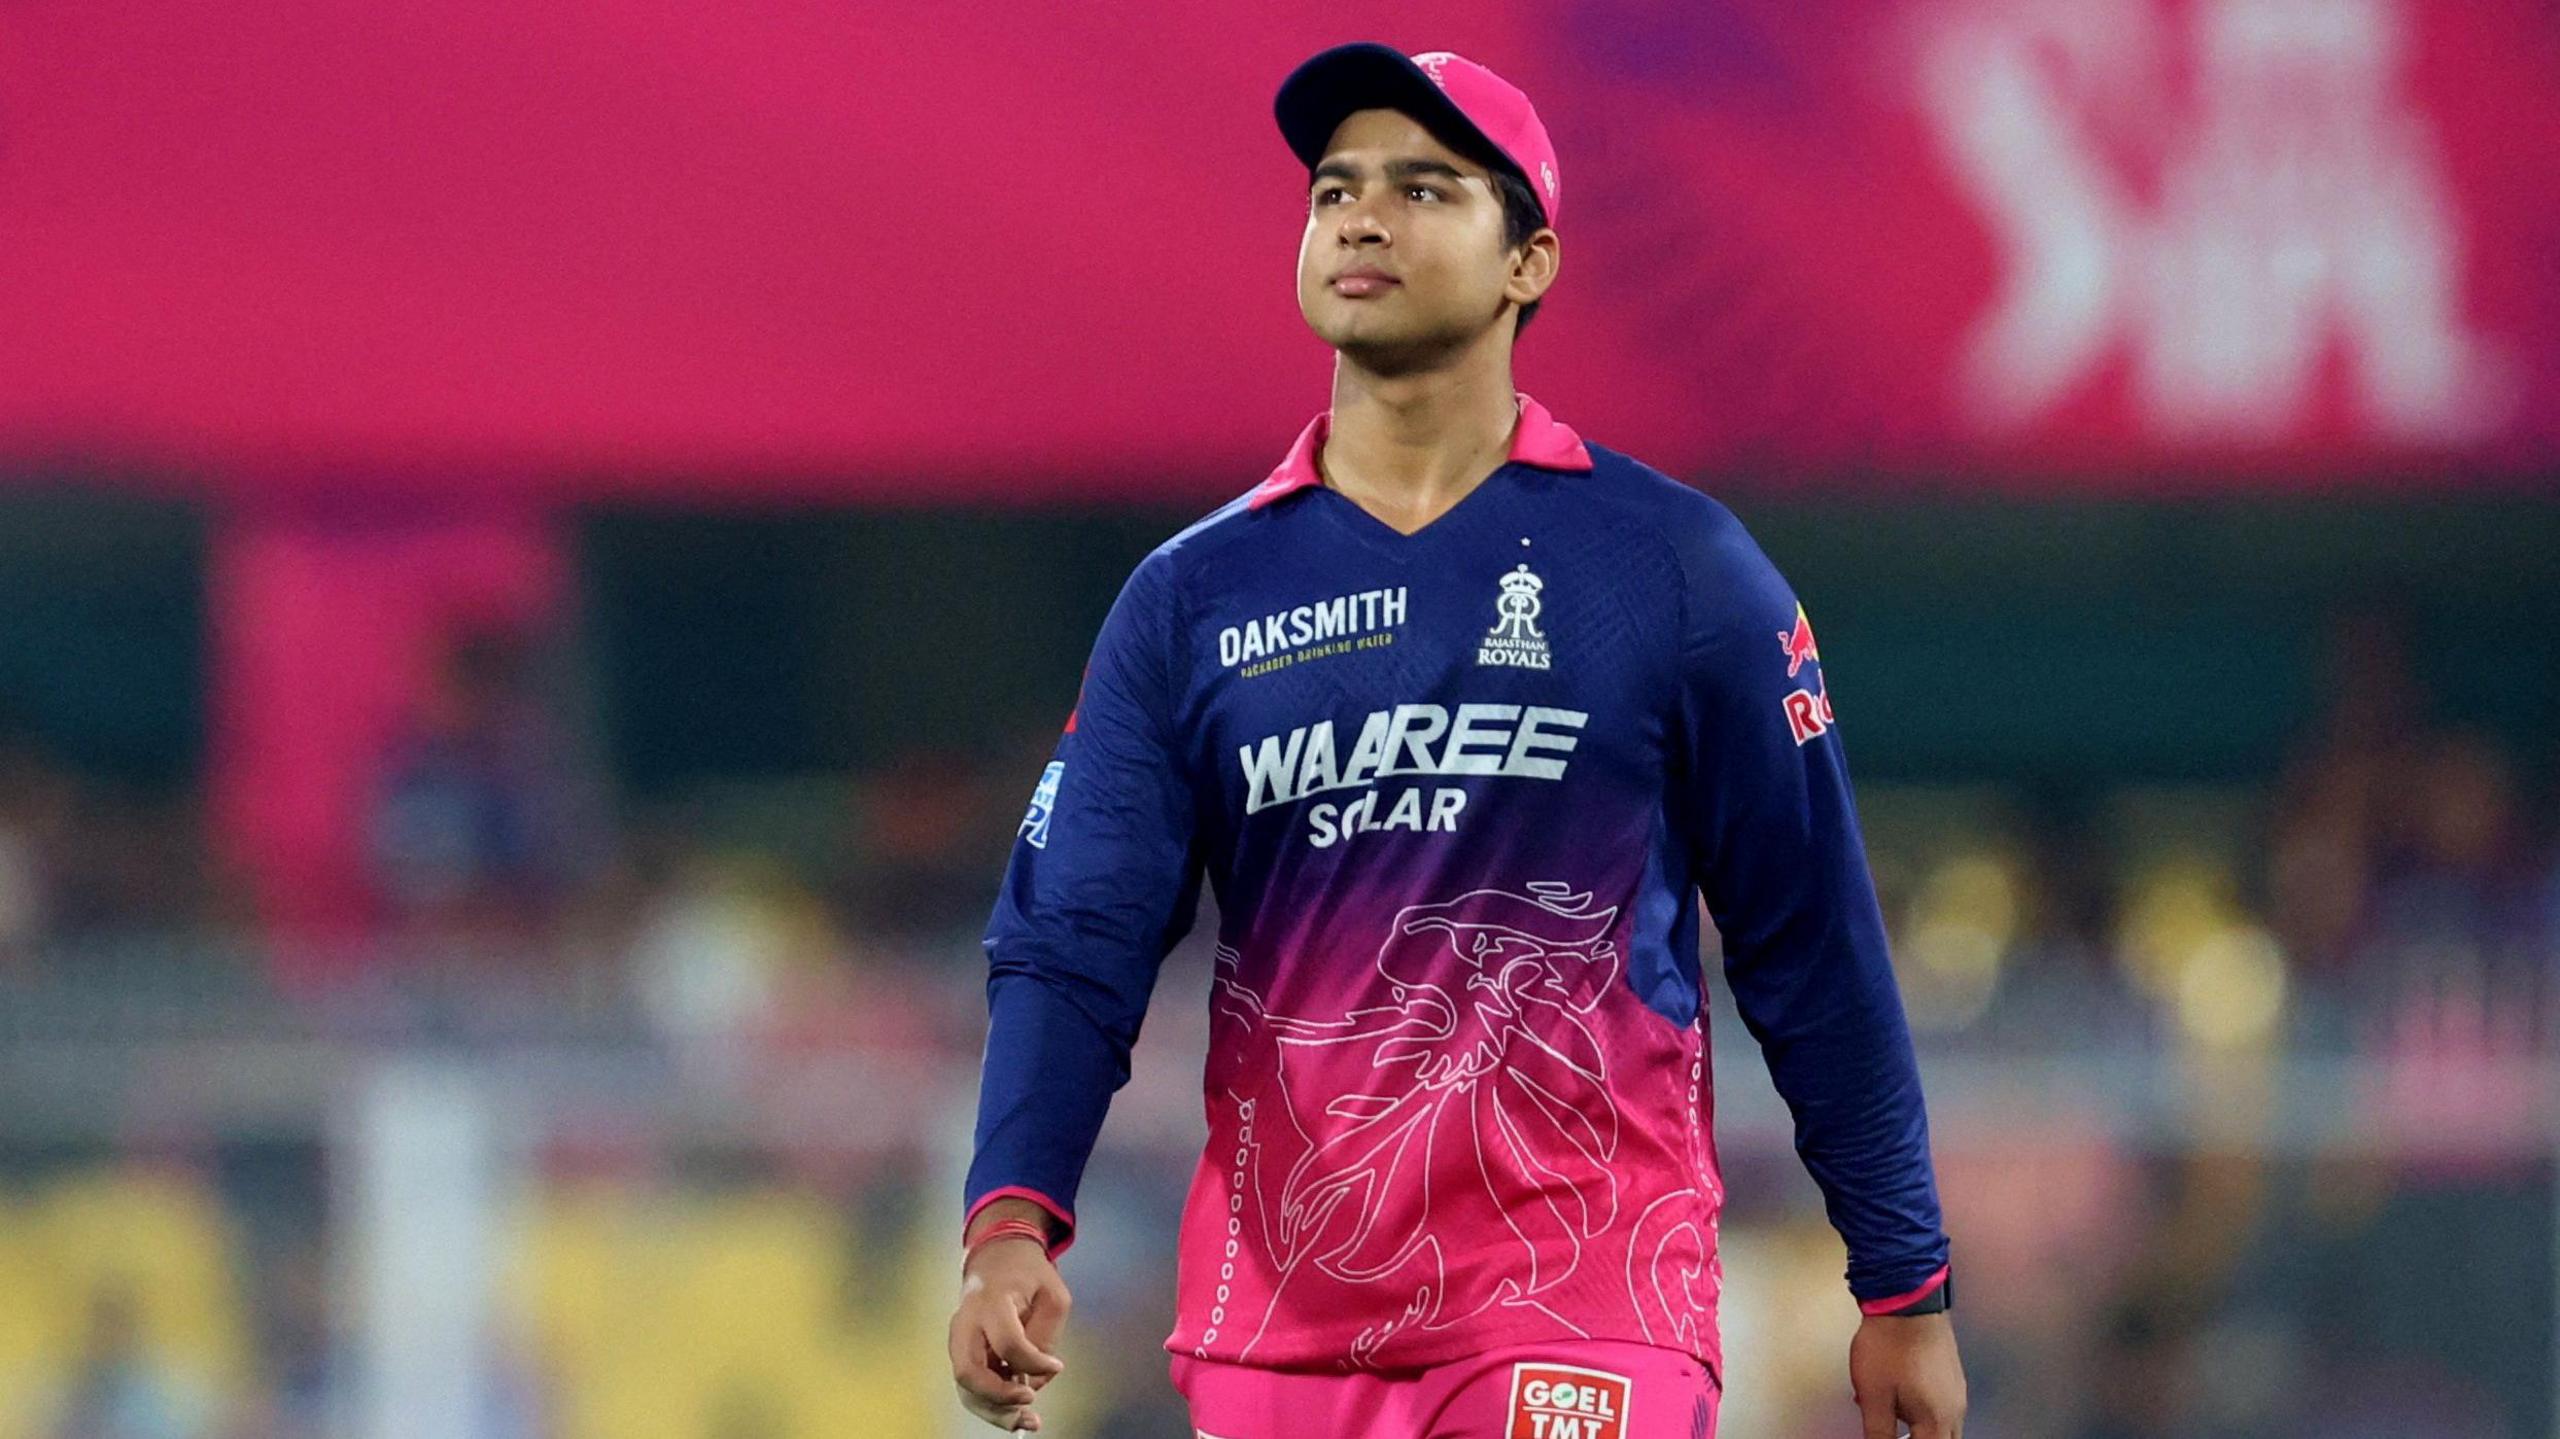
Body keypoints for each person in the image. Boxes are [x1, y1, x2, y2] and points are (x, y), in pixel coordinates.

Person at [948, 42, 1965, 1439]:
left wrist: (1903, 1280)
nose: (1362, 219)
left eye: (1424, 189)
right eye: (1335, 191)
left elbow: (1813, 940)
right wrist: (1010, 1221)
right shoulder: (1192, 600)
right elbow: (1073, 940)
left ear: (1527, 263)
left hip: (1588, 1303)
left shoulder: (1676, 570)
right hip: (1278, 1339)